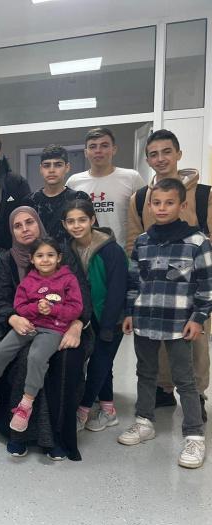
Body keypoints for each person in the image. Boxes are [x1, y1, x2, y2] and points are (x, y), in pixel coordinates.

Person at [0, 206, 92, 460]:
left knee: (64, 360)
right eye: (17, 225)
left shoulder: (61, 252)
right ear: (11, 231)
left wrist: (78, 324)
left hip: (65, 326)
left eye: (30, 222)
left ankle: (55, 436)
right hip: (22, 326)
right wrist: (13, 317)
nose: (25, 229)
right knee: (23, 360)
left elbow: (82, 296)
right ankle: (19, 434)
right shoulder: (7, 260)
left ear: (39, 223)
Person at [120, 177, 210, 469]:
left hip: (179, 324)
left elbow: (206, 287)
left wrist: (199, 318)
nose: (162, 208)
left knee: (185, 380)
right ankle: (144, 421)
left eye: (169, 203)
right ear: (149, 205)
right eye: (157, 203)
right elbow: (134, 281)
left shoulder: (197, 242)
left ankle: (194, 435)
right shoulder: (143, 241)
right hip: (145, 319)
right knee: (146, 373)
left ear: (182, 205)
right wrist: (130, 312)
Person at [126, 129, 211, 416]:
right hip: (154, 289)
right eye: (153, 154)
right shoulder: (140, 197)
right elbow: (133, 241)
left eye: (166, 152)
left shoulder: (203, 194)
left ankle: (196, 395)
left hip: (192, 286)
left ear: (178, 154)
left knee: (195, 344)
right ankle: (162, 390)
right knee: (156, 344)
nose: (160, 158)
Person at [0, 237, 83, 434]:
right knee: (0, 351)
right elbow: (19, 306)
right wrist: (35, 308)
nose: (45, 260)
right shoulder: (29, 280)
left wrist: (53, 310)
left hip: (53, 329)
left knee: (36, 357)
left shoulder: (68, 279)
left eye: (50, 255)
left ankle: (26, 405)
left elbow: (76, 308)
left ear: (59, 258)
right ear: (32, 259)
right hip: (29, 325)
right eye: (40, 256)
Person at [62, 200, 128, 432]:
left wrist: (109, 325)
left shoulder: (111, 250)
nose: (76, 225)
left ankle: (83, 409)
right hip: (87, 317)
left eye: (82, 220)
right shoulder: (68, 249)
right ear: (64, 224)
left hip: (111, 318)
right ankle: (108, 410)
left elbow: (118, 290)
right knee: (104, 364)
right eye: (71, 221)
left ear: (92, 220)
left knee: (99, 363)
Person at [65, 127, 144, 249]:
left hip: (122, 250)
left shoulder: (132, 178)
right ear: (86, 152)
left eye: (104, 145)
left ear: (114, 149)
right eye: (93, 146)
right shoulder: (74, 182)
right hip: (85, 253)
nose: (98, 151)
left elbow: (143, 217)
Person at [24, 144, 92, 245]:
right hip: (40, 254)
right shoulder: (30, 201)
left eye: (58, 165)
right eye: (47, 165)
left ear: (67, 167)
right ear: (41, 169)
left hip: (74, 254)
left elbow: (92, 235)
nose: (51, 170)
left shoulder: (80, 198)